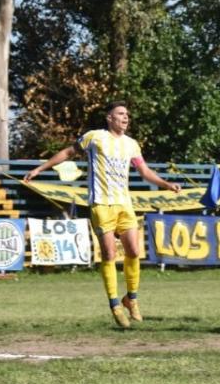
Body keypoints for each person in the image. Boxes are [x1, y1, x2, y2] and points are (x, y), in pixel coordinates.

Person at [24, 101, 181, 328]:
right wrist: (40, 168)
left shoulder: (131, 145)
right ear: (109, 118)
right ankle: (115, 304)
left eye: (127, 114)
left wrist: (166, 184)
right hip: (101, 204)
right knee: (108, 254)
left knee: (134, 251)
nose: (125, 117)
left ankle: (132, 299)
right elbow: (68, 152)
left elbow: (144, 171)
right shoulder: (94, 137)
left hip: (124, 205)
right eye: (120, 114)